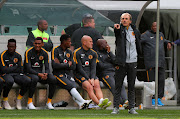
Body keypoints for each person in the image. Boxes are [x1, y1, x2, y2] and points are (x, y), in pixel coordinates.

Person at [111, 13, 141, 114]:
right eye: (122, 19)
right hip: (121, 62)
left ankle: (132, 107)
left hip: (133, 61)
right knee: (118, 85)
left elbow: (138, 44)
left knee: (131, 85)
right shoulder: (120, 30)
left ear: (130, 21)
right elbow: (117, 31)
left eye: (126, 19)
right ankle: (116, 107)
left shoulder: (135, 31)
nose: (124, 20)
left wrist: (139, 56)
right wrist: (116, 28)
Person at [51, 34, 92, 109]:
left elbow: (73, 66)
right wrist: (67, 65)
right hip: (58, 74)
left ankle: (81, 104)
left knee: (73, 87)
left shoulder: (69, 52)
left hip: (68, 74)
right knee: (70, 86)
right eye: (69, 41)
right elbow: (55, 65)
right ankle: (83, 101)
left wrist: (61, 64)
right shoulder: (55, 50)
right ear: (64, 41)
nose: (70, 43)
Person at [73, 35, 111, 109]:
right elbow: (79, 68)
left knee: (96, 84)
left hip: (90, 74)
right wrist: (88, 79)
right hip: (80, 75)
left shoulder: (93, 53)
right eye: (90, 41)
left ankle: (101, 100)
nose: (92, 43)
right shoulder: (77, 52)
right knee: (89, 86)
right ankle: (99, 104)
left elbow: (93, 68)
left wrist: (92, 78)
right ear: (84, 42)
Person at [141, 22, 172, 106]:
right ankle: (152, 99)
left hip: (161, 62)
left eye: (156, 26)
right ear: (151, 27)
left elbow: (163, 40)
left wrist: (168, 42)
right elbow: (138, 40)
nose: (155, 27)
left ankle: (159, 98)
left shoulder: (161, 34)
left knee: (161, 81)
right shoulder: (146, 35)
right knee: (152, 82)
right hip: (151, 62)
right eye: (153, 26)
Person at [24, 37, 56, 110]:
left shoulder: (45, 53)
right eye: (36, 43)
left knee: (53, 79)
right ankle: (29, 102)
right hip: (29, 73)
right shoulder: (28, 52)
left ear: (42, 44)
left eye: (39, 44)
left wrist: (46, 74)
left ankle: (49, 102)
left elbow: (47, 67)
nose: (37, 45)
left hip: (40, 74)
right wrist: (39, 74)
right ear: (33, 44)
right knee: (34, 78)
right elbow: (28, 68)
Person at [96, 39, 128, 108]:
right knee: (113, 85)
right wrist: (110, 64)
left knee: (121, 84)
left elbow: (116, 62)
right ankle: (121, 102)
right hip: (105, 74)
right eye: (105, 43)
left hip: (114, 72)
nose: (107, 44)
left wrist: (110, 53)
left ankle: (126, 101)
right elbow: (101, 66)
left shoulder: (108, 53)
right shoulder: (96, 54)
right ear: (101, 45)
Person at [0, 39, 31, 110]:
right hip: (6, 75)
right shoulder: (2, 55)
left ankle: (18, 99)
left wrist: (10, 69)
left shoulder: (18, 55)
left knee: (27, 80)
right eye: (10, 46)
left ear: (15, 47)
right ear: (7, 46)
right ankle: (4, 100)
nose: (11, 48)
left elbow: (21, 69)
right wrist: (15, 66)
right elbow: (3, 70)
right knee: (10, 81)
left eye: (13, 47)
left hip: (16, 74)